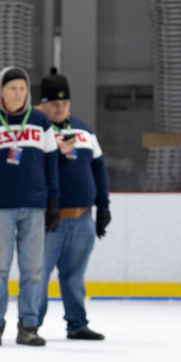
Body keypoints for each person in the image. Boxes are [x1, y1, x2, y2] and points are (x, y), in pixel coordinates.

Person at [0, 66, 59, 347]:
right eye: (12, 88)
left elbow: (52, 166)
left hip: (34, 207)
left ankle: (29, 326)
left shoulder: (41, 121)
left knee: (33, 271)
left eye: (22, 88)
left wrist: (54, 202)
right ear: (1, 91)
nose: (18, 93)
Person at [36, 70, 110, 340]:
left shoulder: (83, 130)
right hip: (48, 220)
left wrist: (103, 207)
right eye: (54, 103)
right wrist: (56, 151)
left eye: (64, 103)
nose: (60, 108)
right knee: (39, 277)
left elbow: (98, 168)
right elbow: (29, 171)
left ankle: (77, 324)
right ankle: (31, 326)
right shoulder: (35, 132)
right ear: (42, 104)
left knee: (75, 277)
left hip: (82, 219)